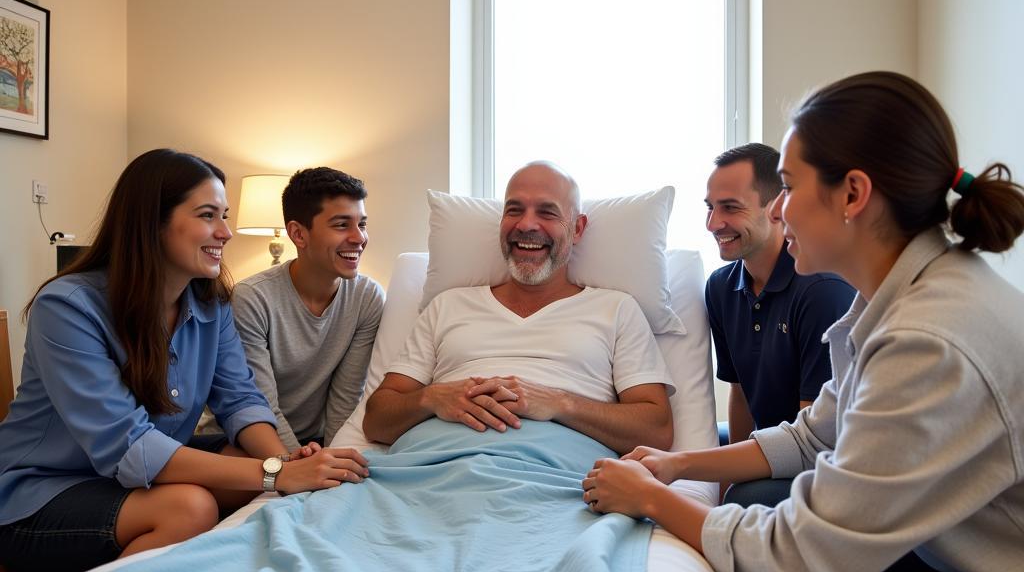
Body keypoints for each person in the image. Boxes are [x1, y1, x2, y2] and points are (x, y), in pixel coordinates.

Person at [581, 71, 1024, 572]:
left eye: (785, 185)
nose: (780, 208)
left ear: (853, 194)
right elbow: (815, 434)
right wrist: (682, 467)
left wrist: (653, 501)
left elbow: (803, 557)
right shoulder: (898, 295)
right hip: (977, 562)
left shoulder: (928, 337)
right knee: (756, 503)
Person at [0, 149, 370, 572]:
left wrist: (287, 463)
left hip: (131, 479)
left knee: (241, 460)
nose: (226, 232)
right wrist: (275, 475)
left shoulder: (210, 304)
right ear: (152, 223)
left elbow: (239, 401)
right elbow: (128, 444)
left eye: (225, 215)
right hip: (41, 494)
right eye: (208, 215)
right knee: (192, 506)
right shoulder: (67, 308)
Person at [363, 161, 674, 454]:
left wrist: (558, 403)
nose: (526, 225)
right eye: (514, 210)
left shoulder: (616, 309)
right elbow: (376, 421)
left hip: (554, 480)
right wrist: (431, 398)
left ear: (577, 229)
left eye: (547, 213)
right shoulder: (447, 305)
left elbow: (656, 430)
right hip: (426, 470)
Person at [704, 144, 854, 466]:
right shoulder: (720, 287)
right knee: (702, 441)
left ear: (776, 207)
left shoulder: (821, 291)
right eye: (710, 208)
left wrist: (730, 488)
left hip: (816, 459)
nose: (713, 224)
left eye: (730, 207)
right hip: (771, 442)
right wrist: (721, 487)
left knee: (743, 493)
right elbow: (741, 395)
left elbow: (814, 441)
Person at [231, 167, 384, 450]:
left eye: (361, 224)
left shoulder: (368, 297)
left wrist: (333, 456)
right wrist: (300, 462)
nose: (359, 238)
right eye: (341, 225)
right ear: (298, 234)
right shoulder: (252, 298)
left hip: (318, 443)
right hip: (252, 441)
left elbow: (346, 397)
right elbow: (261, 403)